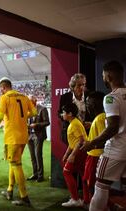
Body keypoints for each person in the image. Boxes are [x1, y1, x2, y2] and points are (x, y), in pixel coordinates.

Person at [81, 60, 126, 211]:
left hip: (115, 150)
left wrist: (92, 142)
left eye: (103, 76)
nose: (103, 79)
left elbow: (113, 128)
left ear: (108, 76)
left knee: (100, 186)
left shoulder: (111, 97)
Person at [0, 77, 36, 206]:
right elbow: (33, 112)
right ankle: (10, 190)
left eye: (0, 88)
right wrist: (23, 117)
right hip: (23, 136)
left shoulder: (5, 97)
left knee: (16, 164)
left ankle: (24, 197)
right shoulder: (23, 96)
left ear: (4, 87)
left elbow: (0, 116)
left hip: (12, 137)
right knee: (14, 162)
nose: (0, 91)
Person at [61, 103, 88, 207]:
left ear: (70, 114)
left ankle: (75, 199)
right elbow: (73, 142)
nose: (62, 114)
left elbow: (80, 141)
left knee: (66, 172)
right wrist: (67, 154)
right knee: (83, 175)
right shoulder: (74, 122)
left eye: (64, 112)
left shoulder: (75, 124)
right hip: (81, 151)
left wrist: (72, 155)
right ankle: (86, 199)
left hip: (80, 152)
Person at [82, 91, 106, 207]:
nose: (87, 106)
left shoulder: (100, 118)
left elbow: (103, 140)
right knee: (88, 182)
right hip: (93, 155)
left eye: (88, 102)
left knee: (91, 184)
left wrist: (90, 144)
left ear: (95, 103)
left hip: (95, 156)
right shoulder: (99, 117)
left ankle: (94, 205)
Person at [58, 73, 92, 145]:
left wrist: (91, 123)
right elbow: (59, 113)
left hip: (87, 133)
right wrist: (67, 117)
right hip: (71, 134)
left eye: (83, 84)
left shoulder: (90, 96)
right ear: (72, 87)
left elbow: (96, 114)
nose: (82, 87)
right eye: (79, 85)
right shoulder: (65, 97)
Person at [27, 95, 50, 182]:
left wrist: (36, 125)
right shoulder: (27, 109)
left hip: (38, 135)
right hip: (29, 135)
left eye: (29, 101)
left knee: (38, 155)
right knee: (32, 156)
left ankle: (40, 175)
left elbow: (47, 122)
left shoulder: (42, 109)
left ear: (34, 101)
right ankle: (35, 174)